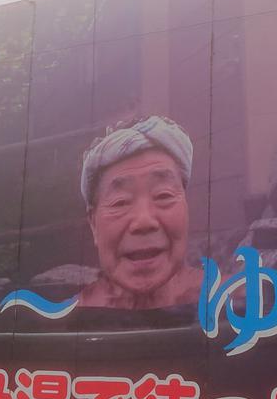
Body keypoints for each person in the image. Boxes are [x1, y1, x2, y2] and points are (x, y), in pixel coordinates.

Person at [78, 115, 202, 309]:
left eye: (163, 195)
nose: (144, 221)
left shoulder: (242, 309)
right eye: (120, 202)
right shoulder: (63, 322)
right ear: (94, 224)